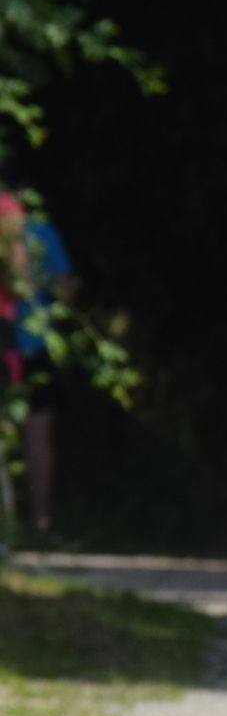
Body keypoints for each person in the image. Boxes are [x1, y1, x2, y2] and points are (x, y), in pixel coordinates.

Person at [2, 193, 75, 544]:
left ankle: (20, 524)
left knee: (20, 436)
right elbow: (64, 290)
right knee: (37, 436)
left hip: (16, 344)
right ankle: (38, 522)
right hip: (30, 344)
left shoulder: (32, 231)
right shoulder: (40, 231)